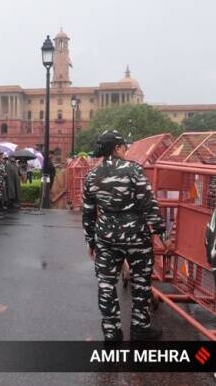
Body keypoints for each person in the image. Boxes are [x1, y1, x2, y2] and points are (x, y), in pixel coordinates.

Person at [82, 129, 168, 342]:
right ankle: (140, 330)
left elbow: (88, 212)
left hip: (106, 238)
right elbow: (148, 204)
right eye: (124, 147)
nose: (126, 150)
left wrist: (90, 241)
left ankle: (112, 333)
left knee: (106, 284)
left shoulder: (92, 175)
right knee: (141, 284)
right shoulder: (133, 171)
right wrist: (162, 234)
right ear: (117, 148)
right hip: (136, 236)